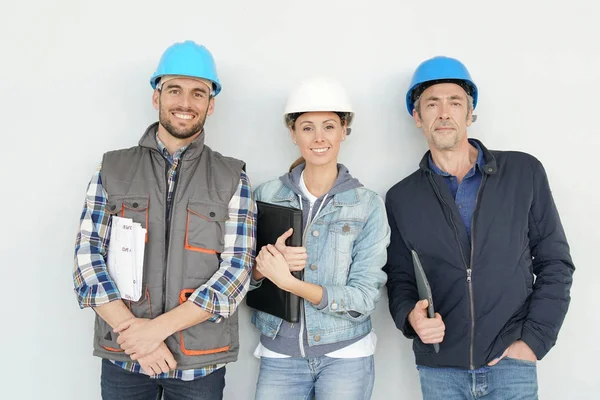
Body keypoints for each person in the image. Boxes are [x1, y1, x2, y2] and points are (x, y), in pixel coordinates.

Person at [72, 40, 256, 400]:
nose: (185, 103)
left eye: (198, 93)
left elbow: (237, 272)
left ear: (211, 104)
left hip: (200, 364)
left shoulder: (233, 176)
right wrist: (138, 337)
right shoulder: (112, 168)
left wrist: (156, 330)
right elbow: (86, 259)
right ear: (157, 97)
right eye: (174, 90)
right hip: (125, 356)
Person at [384, 56, 575, 399]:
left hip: (510, 364)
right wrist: (411, 318)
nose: (444, 113)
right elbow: (399, 281)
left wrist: (532, 342)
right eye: (432, 104)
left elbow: (555, 263)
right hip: (440, 370)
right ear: (417, 117)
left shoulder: (523, 173)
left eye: (455, 102)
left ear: (470, 113)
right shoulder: (401, 197)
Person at [248, 77, 390, 400]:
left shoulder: (367, 205)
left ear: (344, 131)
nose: (319, 138)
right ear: (293, 133)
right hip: (279, 355)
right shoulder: (266, 195)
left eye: (329, 126)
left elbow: (364, 299)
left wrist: (290, 283)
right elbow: (246, 282)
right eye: (307, 127)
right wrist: (265, 266)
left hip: (346, 356)